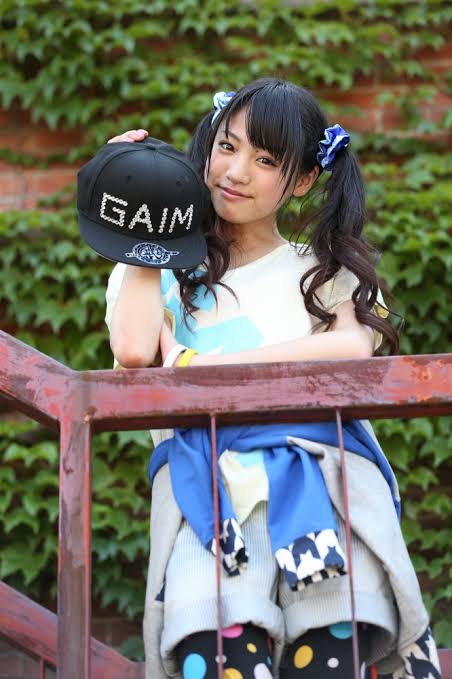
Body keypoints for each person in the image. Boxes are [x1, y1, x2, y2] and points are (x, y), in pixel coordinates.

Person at [104, 79, 441, 679]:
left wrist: (197, 366)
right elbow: (133, 353)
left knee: (328, 659)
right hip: (205, 504)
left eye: (265, 160)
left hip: (323, 492)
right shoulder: (158, 273)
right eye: (227, 146)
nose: (235, 172)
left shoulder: (325, 271)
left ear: (304, 179)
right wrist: (138, 197)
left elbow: (352, 348)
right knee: (220, 656)